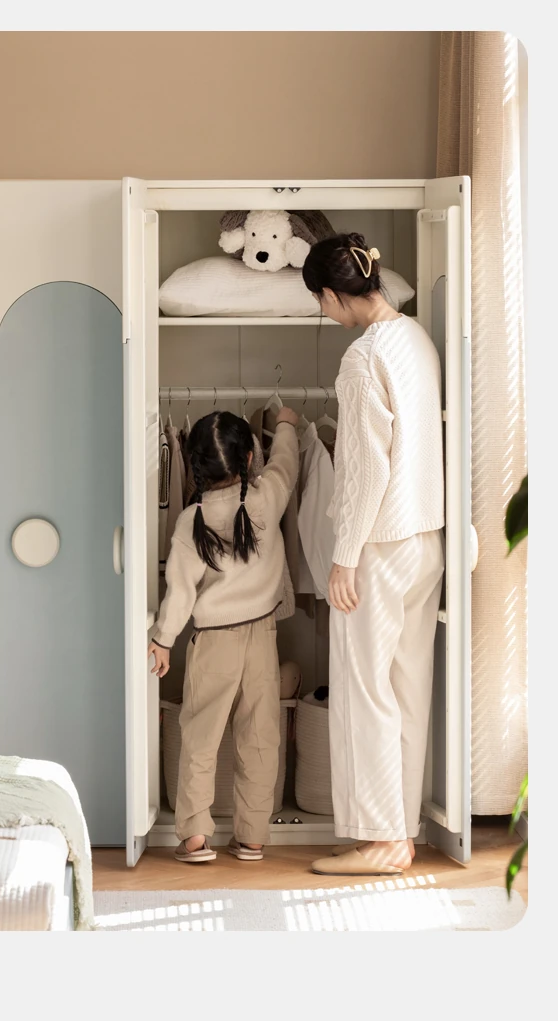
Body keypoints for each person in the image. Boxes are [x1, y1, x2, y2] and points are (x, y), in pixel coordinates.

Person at [302, 234, 445, 878]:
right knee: (408, 687)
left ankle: (383, 840)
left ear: (335, 295)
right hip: (426, 538)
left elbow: (364, 471)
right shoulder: (416, 339)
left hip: (380, 545)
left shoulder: (362, 358)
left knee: (365, 692)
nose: (323, 311)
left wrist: (344, 556)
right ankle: (401, 832)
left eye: (320, 300)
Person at [148, 407, 299, 863]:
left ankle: (195, 835)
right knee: (260, 737)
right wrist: (286, 425)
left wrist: (163, 639)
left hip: (214, 640)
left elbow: (180, 592)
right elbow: (286, 463)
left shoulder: (190, 521)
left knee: (200, 736)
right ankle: (252, 836)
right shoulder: (267, 497)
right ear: (249, 458)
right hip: (262, 637)